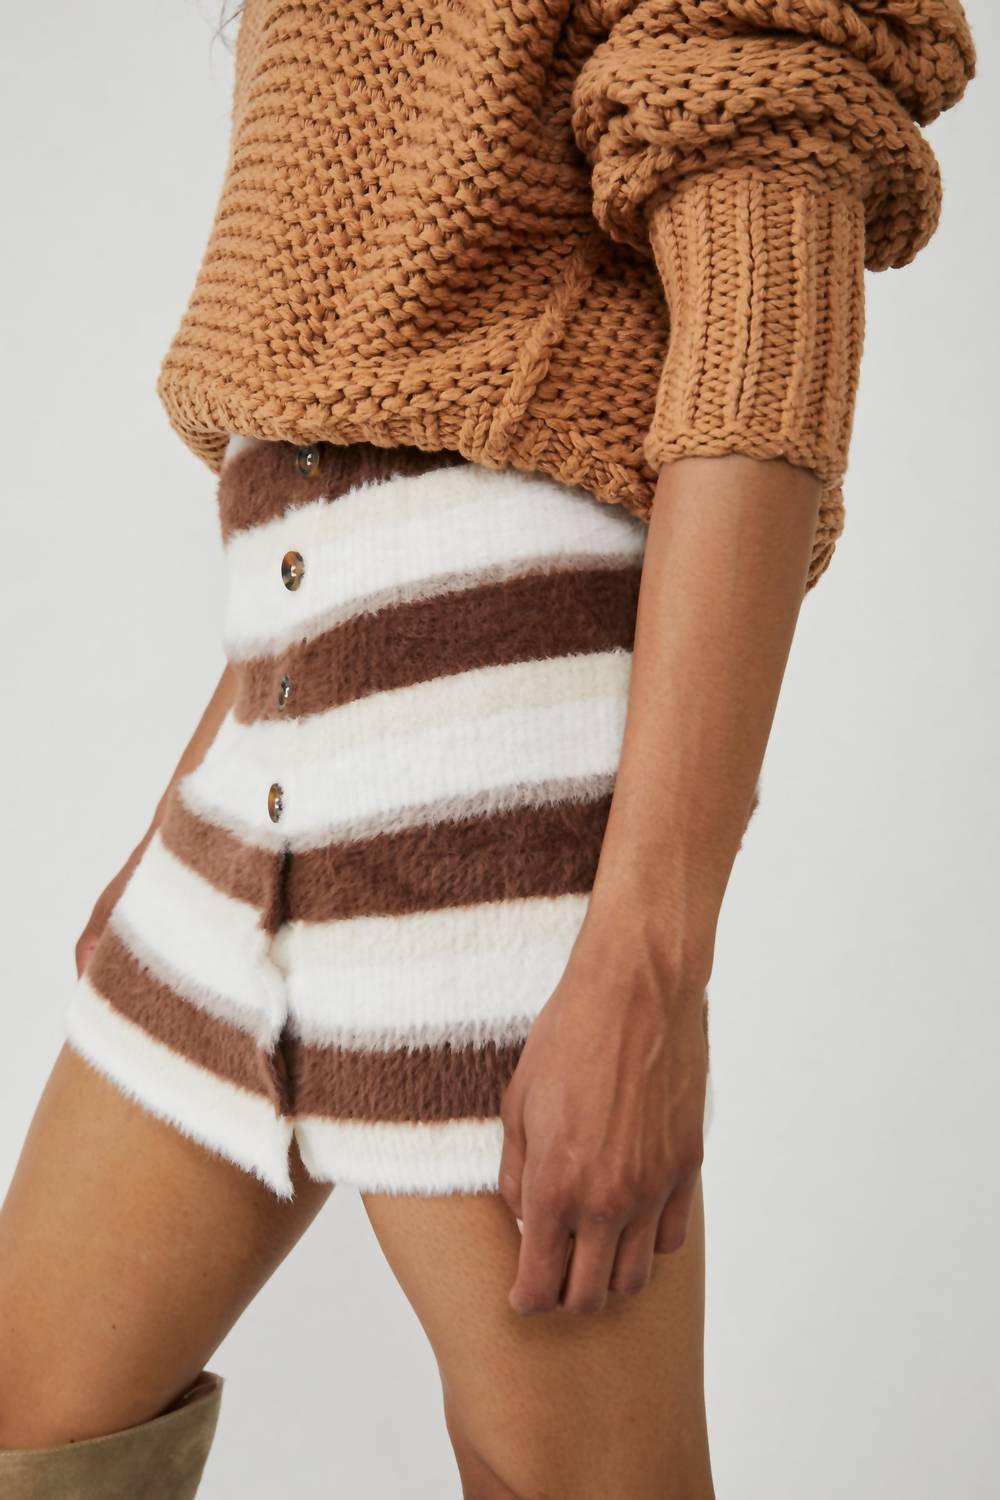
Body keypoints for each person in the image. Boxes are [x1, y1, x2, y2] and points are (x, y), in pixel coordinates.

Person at [0, 3, 976, 1496]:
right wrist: (179, 820)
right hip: (260, 752)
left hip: (493, 773)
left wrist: (648, 960)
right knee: (33, 1420)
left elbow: (764, 340)